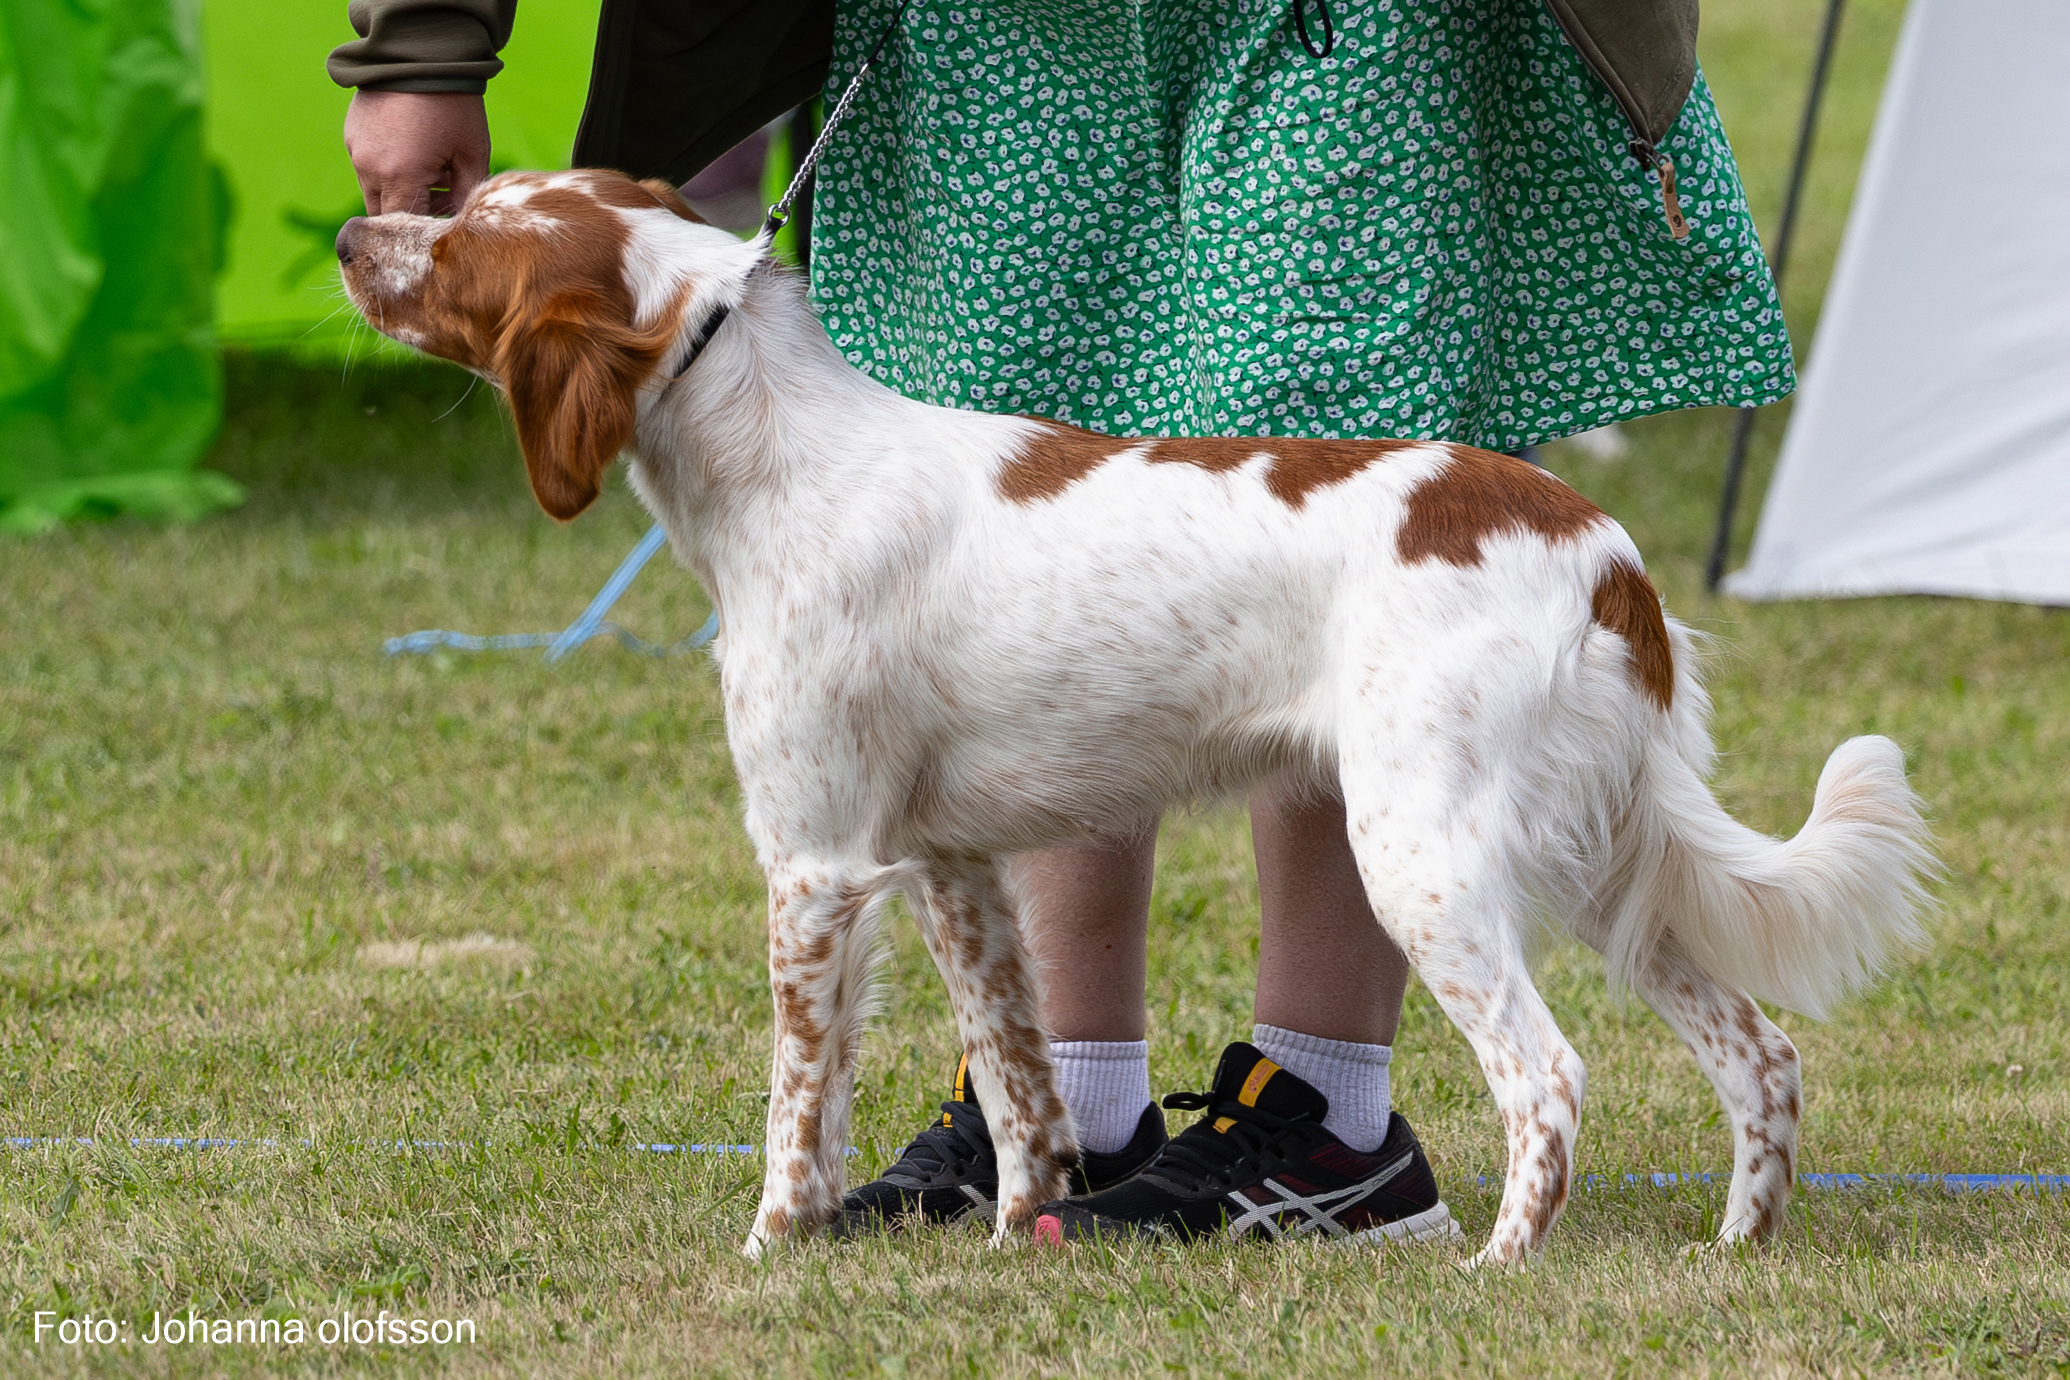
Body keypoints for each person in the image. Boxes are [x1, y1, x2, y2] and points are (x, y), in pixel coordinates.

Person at [331, 0, 1790, 1245]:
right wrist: (424, 39)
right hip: (990, 37)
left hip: (1343, 30)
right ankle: (1056, 1110)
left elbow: (814, 886)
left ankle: (1325, 1117)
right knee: (1021, 448)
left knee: (1324, 414)